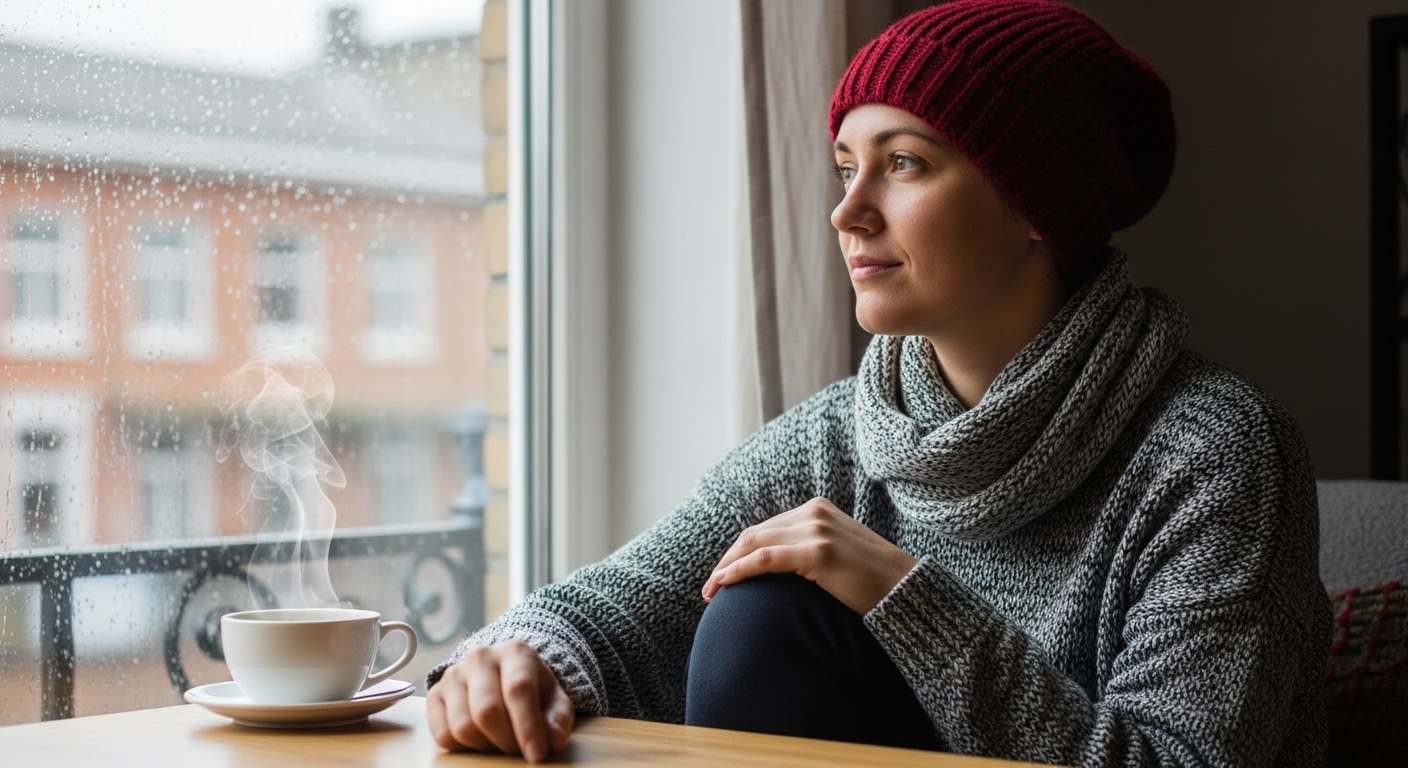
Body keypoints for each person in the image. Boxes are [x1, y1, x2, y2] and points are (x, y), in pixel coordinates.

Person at [425, 1, 1332, 765]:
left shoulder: (1215, 453)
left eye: (903, 164)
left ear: (1035, 205)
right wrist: (510, 659)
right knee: (755, 611)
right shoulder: (840, 434)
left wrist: (903, 594)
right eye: (847, 167)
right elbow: (630, 599)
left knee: (767, 615)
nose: (846, 212)